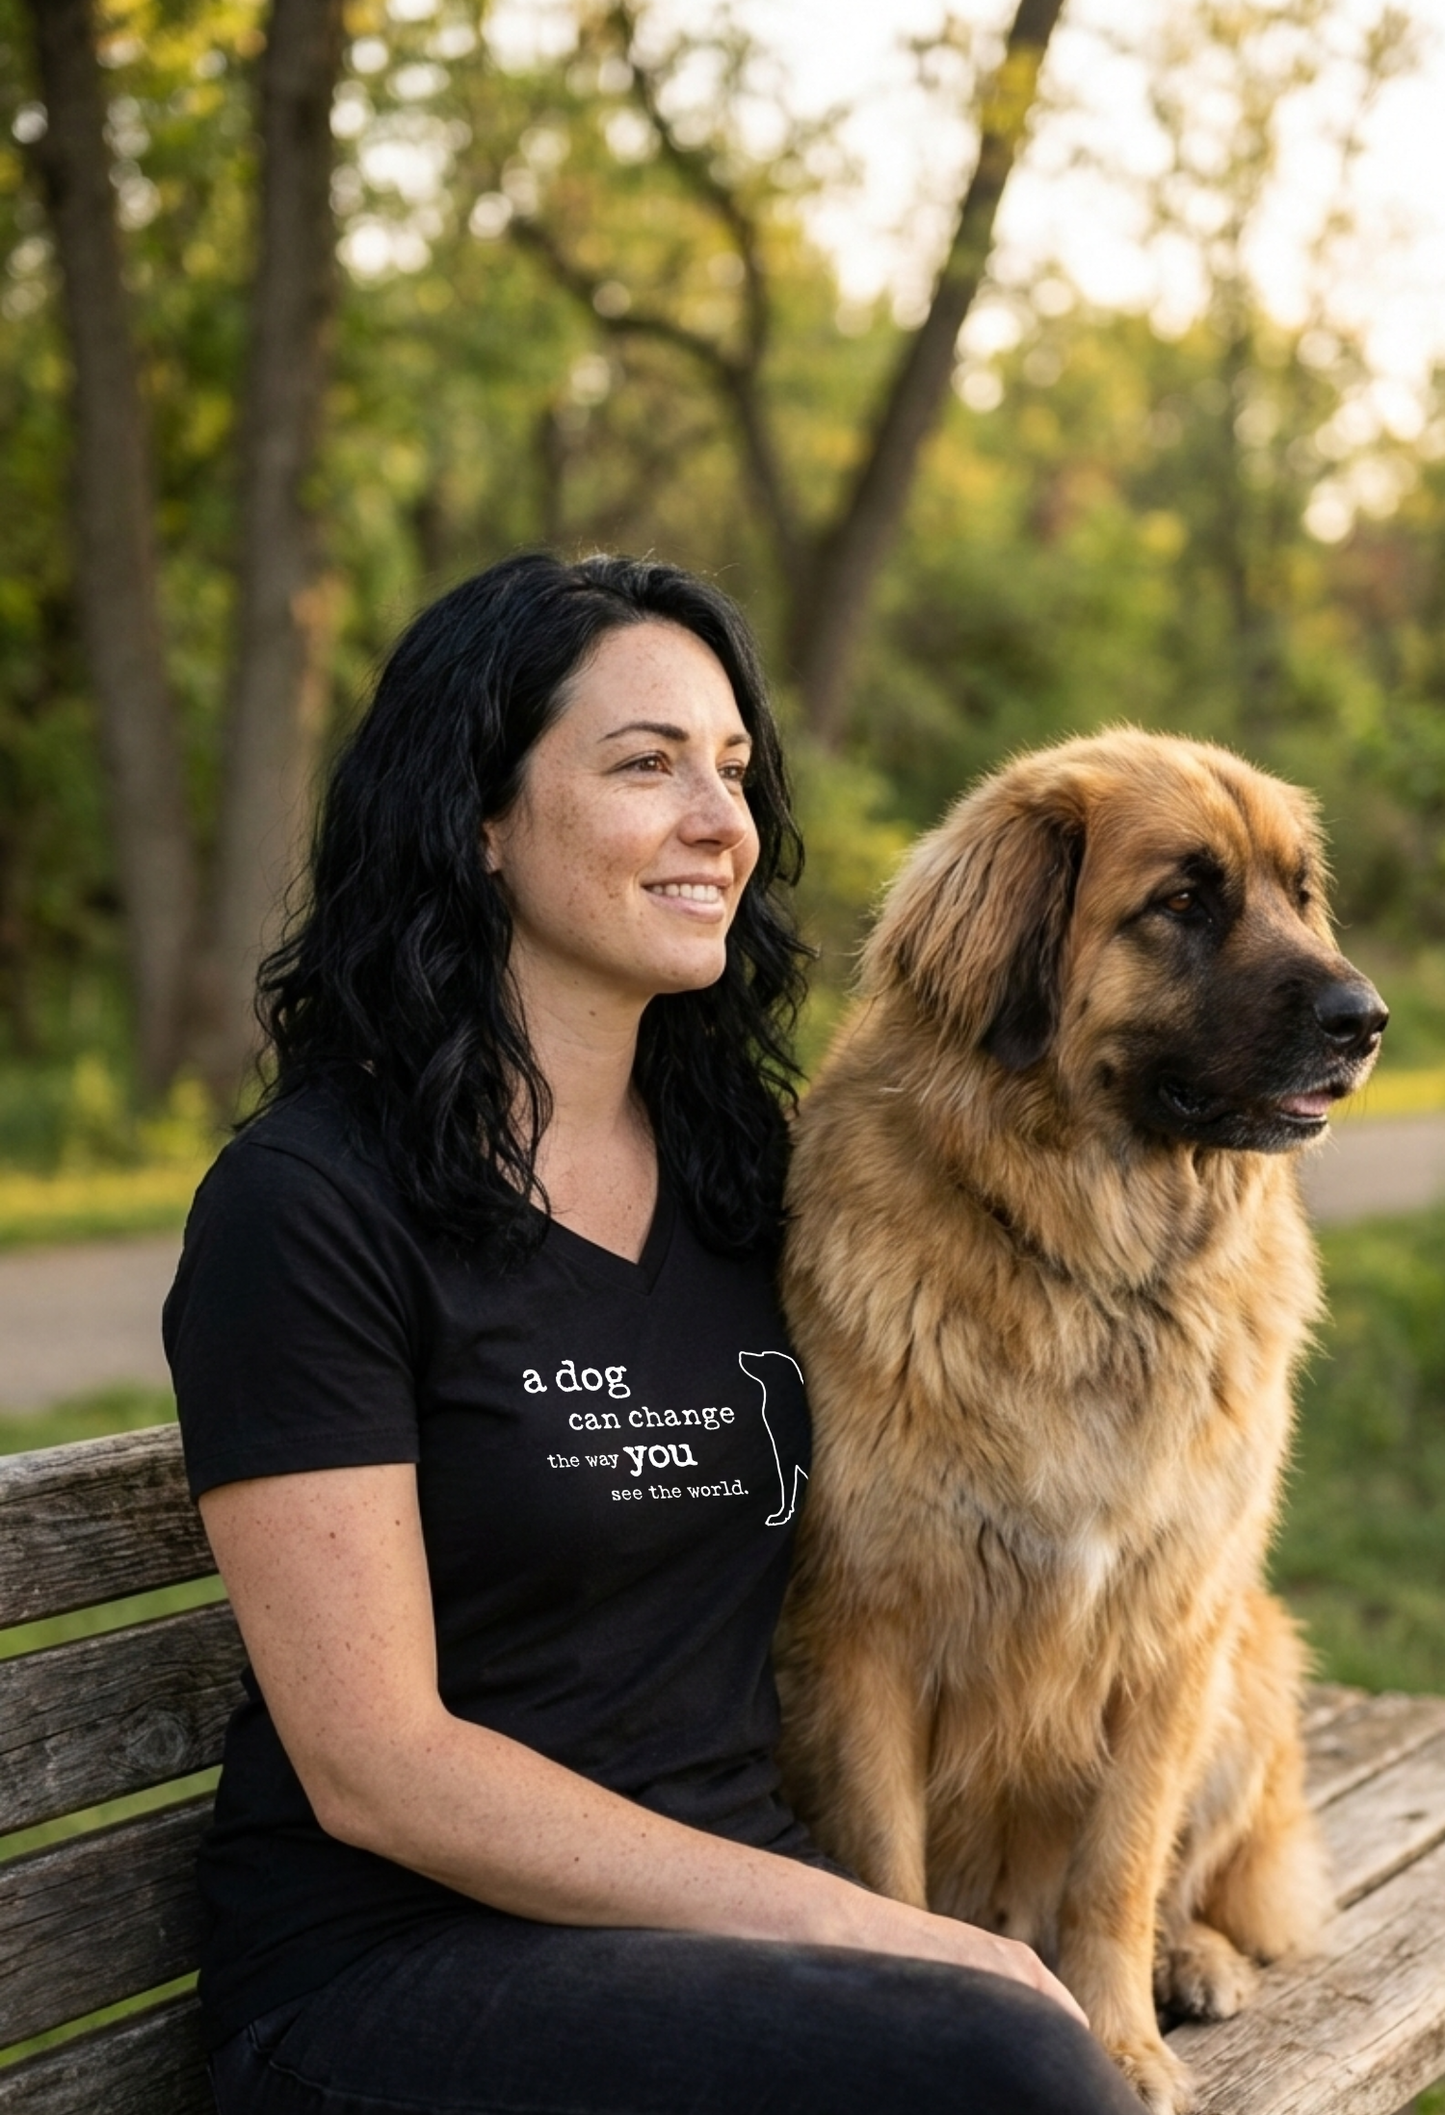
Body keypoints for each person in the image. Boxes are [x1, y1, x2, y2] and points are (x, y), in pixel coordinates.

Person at [165, 551, 1141, 2115]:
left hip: (709, 1925)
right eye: (645, 764)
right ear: (476, 819)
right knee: (1008, 2069)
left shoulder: (751, 1178)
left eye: (735, 768)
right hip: (394, 1977)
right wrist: (863, 1921)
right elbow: (377, 1766)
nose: (720, 822)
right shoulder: (306, 1208)